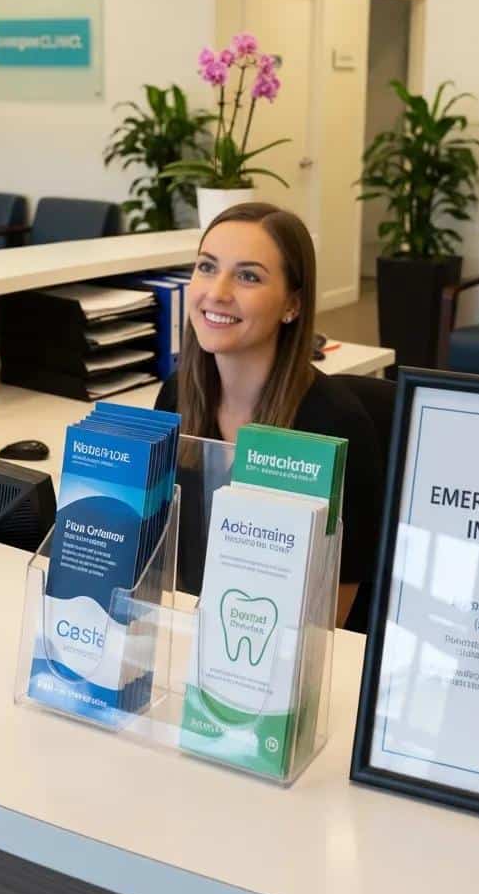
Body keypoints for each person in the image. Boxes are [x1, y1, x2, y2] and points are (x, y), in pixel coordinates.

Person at [155, 202, 385, 628]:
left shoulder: (334, 425)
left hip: (287, 664)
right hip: (196, 635)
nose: (217, 291)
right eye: (207, 267)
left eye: (248, 276)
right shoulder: (175, 397)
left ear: (292, 305)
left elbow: (333, 612)